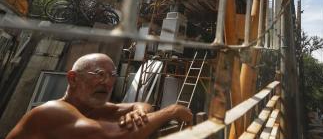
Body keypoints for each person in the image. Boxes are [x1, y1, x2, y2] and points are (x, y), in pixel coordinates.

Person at [6, 53, 193, 139]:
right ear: (72, 78)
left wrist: (139, 112)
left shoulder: (91, 108)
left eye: (112, 76)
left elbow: (140, 103)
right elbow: (113, 135)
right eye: (99, 74)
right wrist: (171, 111)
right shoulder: (50, 112)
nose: (108, 82)